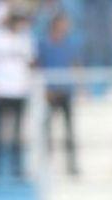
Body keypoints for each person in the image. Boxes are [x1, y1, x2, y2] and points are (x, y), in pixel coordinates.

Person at [0, 11, 34, 179]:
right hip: (2, 90)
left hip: (20, 91)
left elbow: (31, 62)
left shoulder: (26, 39)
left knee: (18, 132)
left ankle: (17, 167)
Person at [37, 11, 79, 175]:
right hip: (50, 93)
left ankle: (72, 164)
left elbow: (75, 64)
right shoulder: (44, 45)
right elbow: (39, 66)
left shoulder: (69, 44)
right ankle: (47, 164)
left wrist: (81, 88)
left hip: (65, 92)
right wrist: (44, 89)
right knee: (47, 130)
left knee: (69, 130)